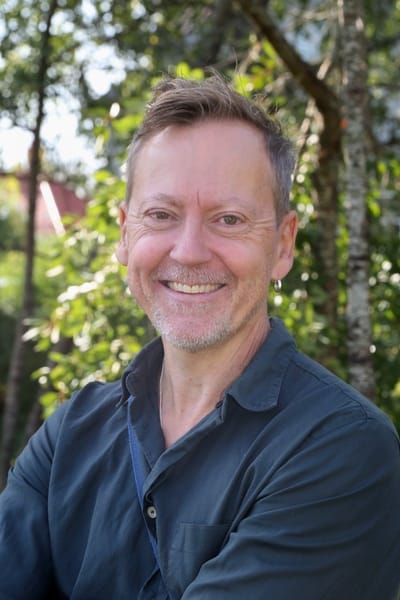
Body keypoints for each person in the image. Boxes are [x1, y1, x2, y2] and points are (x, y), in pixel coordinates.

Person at [1, 75, 399, 600]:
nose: (188, 251)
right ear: (125, 234)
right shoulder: (69, 435)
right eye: (161, 215)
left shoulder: (342, 448)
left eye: (229, 219)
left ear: (283, 245)